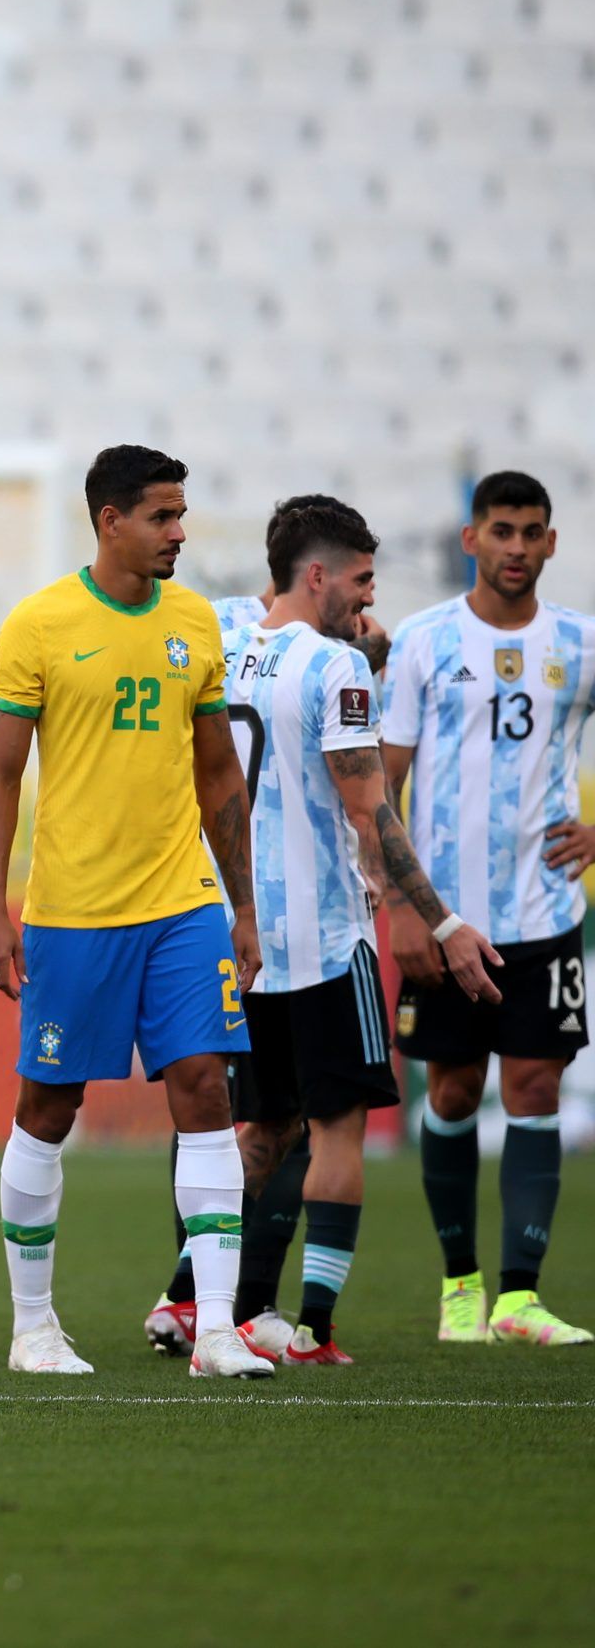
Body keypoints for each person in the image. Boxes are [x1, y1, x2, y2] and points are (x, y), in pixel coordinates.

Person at [0, 444, 269, 1379]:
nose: (179, 533)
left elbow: (217, 770)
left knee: (206, 1089)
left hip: (182, 902)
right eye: (161, 516)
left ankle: (215, 1329)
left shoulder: (194, 622)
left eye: (181, 515)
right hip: (75, 911)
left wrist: (243, 906)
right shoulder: (40, 624)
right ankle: (32, 1329)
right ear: (110, 520)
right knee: (48, 1107)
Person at [209, 497, 501, 1365]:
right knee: (336, 1130)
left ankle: (214, 1306)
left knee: (260, 1131)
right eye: (363, 579)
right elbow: (372, 812)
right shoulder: (334, 667)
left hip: (243, 935)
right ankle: (314, 1327)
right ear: (318, 575)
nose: (371, 597)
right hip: (329, 937)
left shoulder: (226, 646)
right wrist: (443, 920)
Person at [384, 469, 595, 1346]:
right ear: (471, 539)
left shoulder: (580, 642)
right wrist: (402, 907)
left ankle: (519, 1299)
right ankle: (460, 1285)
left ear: (551, 542)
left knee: (537, 1086)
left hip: (546, 912)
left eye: (531, 532)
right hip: (445, 919)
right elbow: (380, 784)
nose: (516, 547)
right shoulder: (424, 640)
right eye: (501, 530)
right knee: (456, 1088)